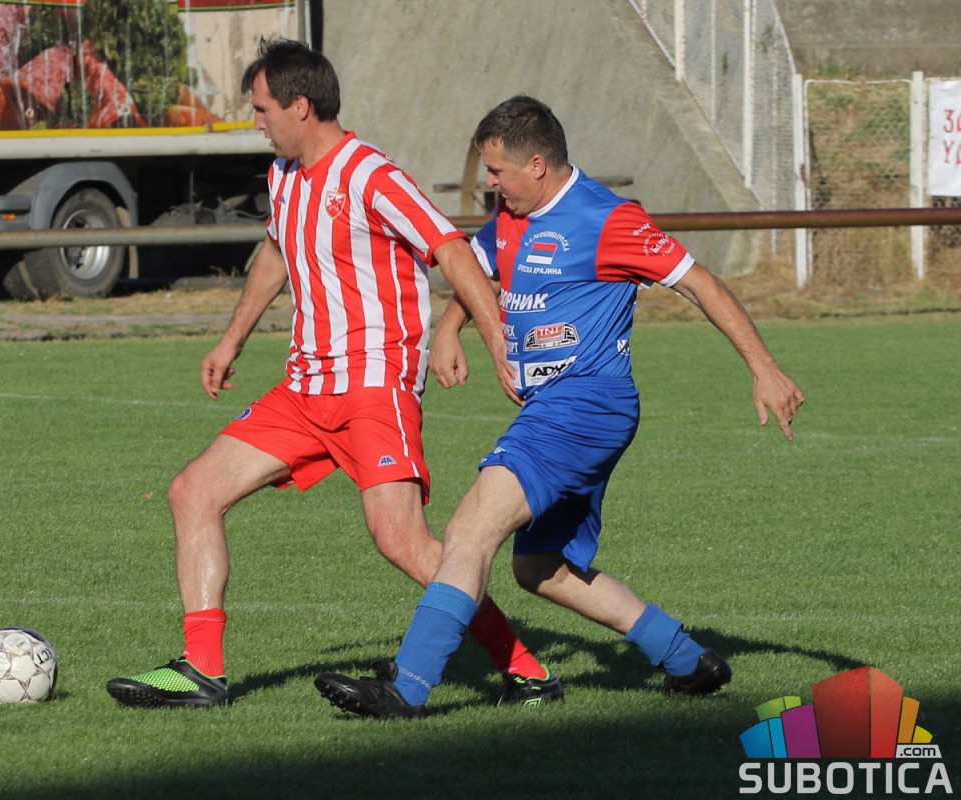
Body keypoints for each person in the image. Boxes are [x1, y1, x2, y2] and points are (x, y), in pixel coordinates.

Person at [314, 95, 807, 718]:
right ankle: (688, 660)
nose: (491, 184)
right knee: (538, 567)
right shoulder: (510, 218)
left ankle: (406, 689)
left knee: (470, 530)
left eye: (497, 171)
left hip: (583, 406)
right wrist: (450, 329)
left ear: (537, 165)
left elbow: (700, 282)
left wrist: (764, 367)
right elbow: (475, 270)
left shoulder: (607, 219)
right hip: (563, 410)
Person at [106, 45, 562, 709]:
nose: (256, 121)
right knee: (192, 491)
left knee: (401, 541)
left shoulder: (370, 174)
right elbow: (277, 249)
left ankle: (524, 669)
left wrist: (494, 338)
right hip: (304, 389)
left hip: (375, 386)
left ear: (300, 106)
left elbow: (450, 247)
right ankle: (202, 670)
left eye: (262, 109)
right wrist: (231, 341)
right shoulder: (284, 174)